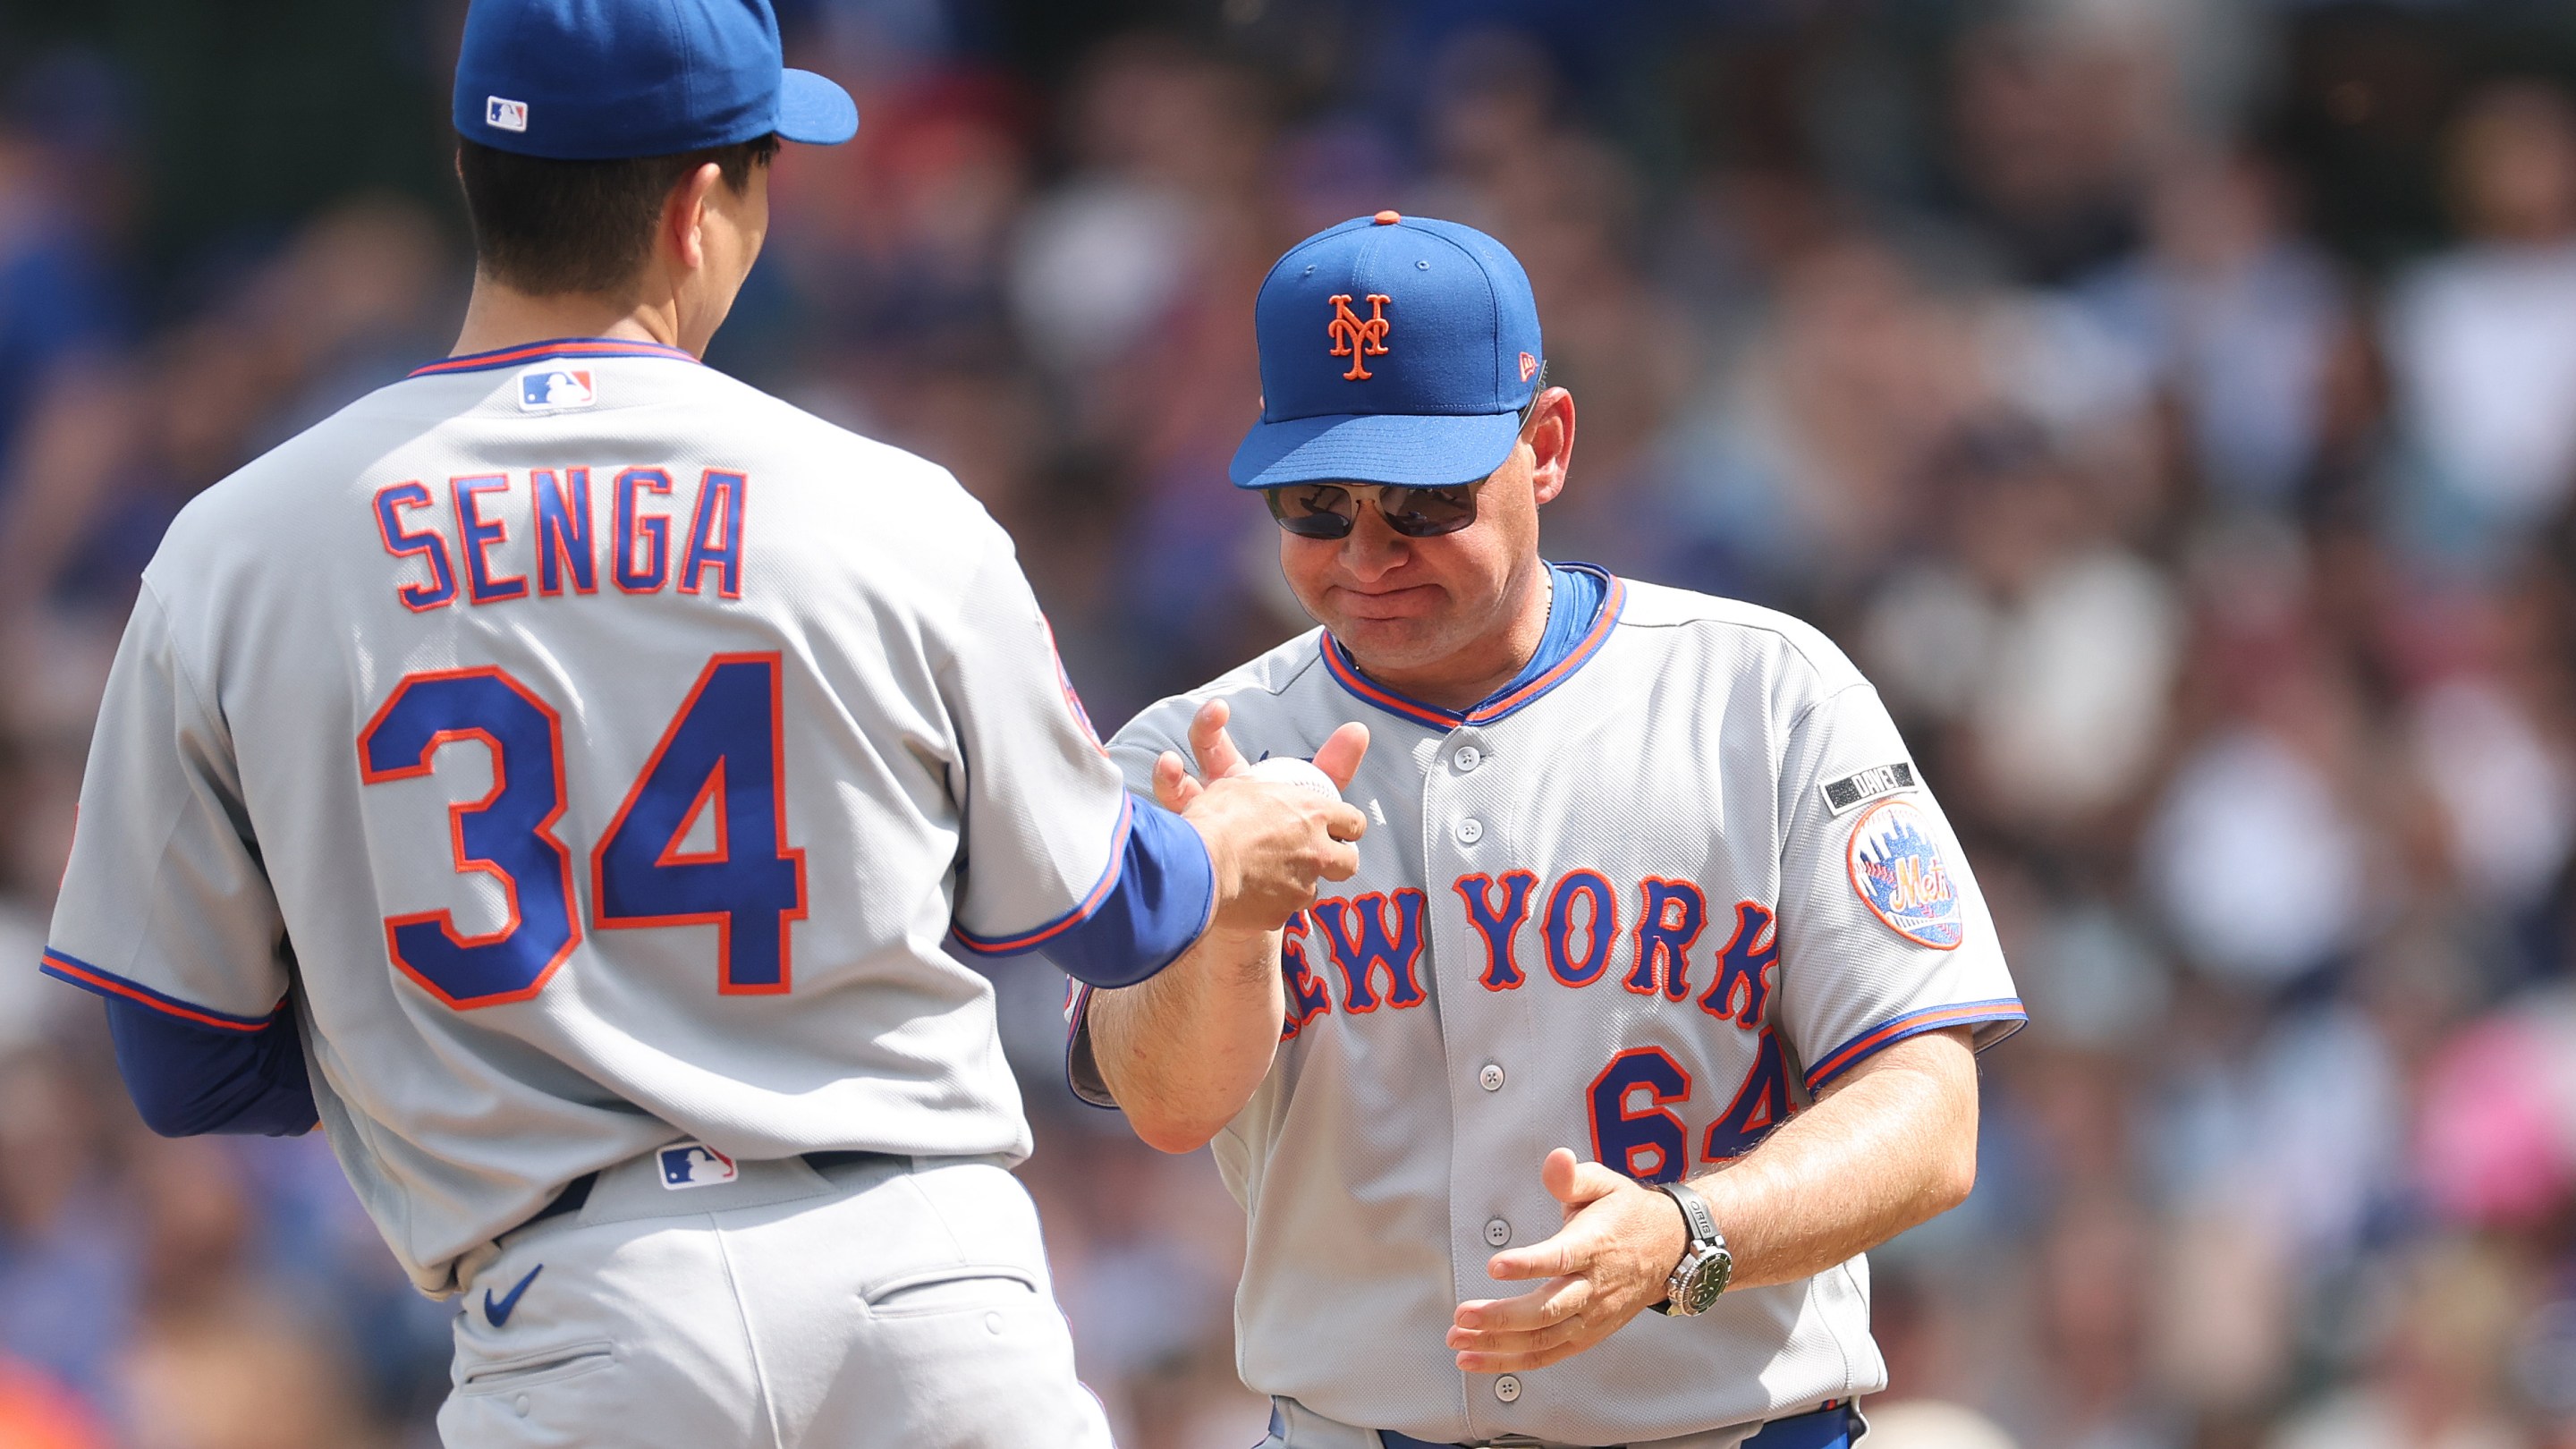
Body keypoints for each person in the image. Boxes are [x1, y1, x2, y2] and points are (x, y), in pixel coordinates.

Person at [35, 3, 1363, 1445]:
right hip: (919, 1284)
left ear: (475, 170)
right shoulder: (887, 508)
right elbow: (1112, 916)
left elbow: (184, 1062)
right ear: (695, 206)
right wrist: (1223, 843)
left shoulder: (233, 552)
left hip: (576, 1319)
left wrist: (452, 1035)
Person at [1069, 213, 2026, 1449]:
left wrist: (1692, 1236)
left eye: (1422, 498)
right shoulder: (1191, 752)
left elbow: (1933, 1120)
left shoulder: (1768, 695)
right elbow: (1165, 1105)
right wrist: (1232, 921)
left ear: (1549, 446)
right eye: (1314, 502)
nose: (1367, 553)